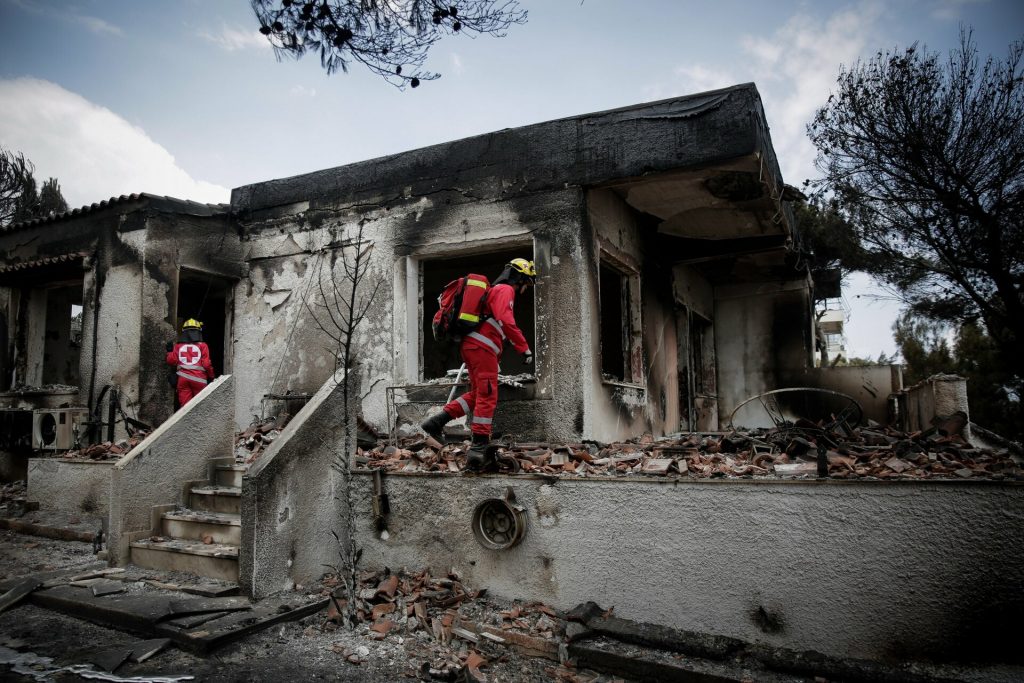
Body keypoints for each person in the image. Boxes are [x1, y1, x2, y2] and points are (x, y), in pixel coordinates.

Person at [421, 258, 536, 469]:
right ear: (519, 278)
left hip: (474, 348)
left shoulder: (494, 291)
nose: (525, 289)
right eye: (526, 283)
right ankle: (479, 448)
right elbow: (506, 320)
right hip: (482, 349)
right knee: (489, 394)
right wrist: (524, 348)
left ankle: (436, 422)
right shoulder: (504, 290)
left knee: (477, 394)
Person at [166, 318, 215, 407]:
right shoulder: (203, 346)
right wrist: (211, 377)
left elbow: (171, 361)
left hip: (183, 379)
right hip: (199, 379)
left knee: (185, 408)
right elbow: (207, 364)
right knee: (201, 407)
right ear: (199, 331)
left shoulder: (178, 346)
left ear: (184, 332)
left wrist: (169, 351)